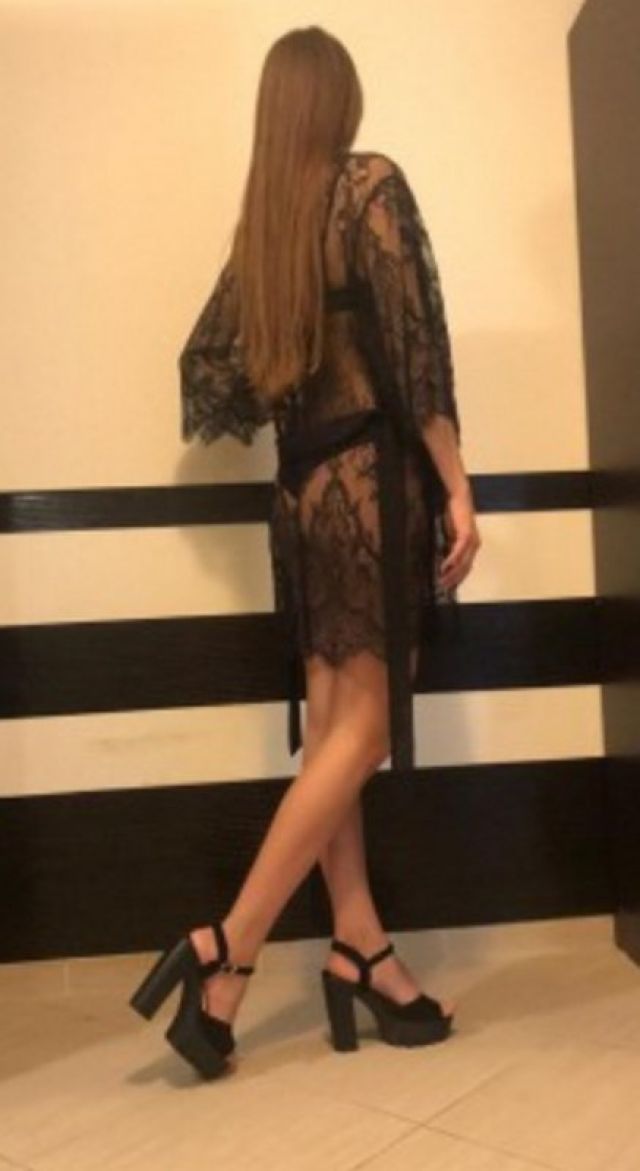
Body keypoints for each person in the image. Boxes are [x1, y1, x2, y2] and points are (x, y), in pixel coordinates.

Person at [130, 24, 480, 1079]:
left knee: (332, 731)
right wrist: (458, 486)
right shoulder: (367, 185)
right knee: (362, 733)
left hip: (302, 494)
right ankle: (226, 947)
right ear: (340, 99)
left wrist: (285, 385)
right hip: (371, 488)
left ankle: (357, 943)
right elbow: (415, 353)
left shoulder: (269, 226)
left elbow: (207, 370)